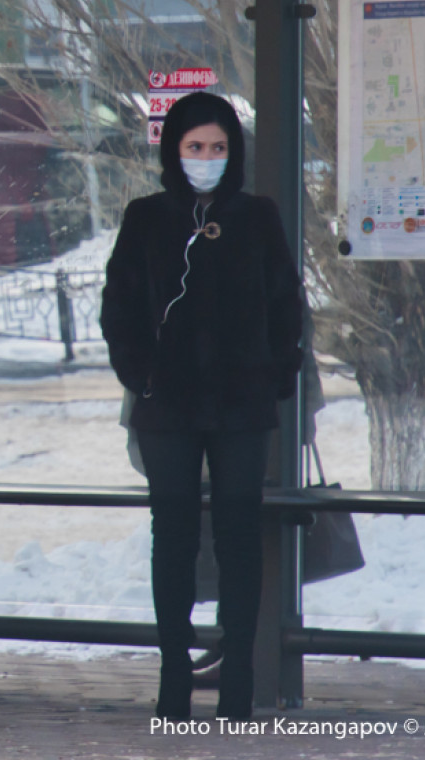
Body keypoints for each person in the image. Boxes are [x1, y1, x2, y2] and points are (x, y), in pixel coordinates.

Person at [99, 92, 303, 721]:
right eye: (195, 148)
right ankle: (173, 678)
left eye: (217, 148)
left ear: (232, 152)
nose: (206, 159)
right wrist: (143, 372)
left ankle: (238, 680)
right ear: (174, 151)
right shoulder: (146, 217)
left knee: (241, 537)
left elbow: (286, 306)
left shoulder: (258, 217)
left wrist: (275, 375)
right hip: (169, 408)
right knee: (175, 537)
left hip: (242, 406)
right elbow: (119, 308)